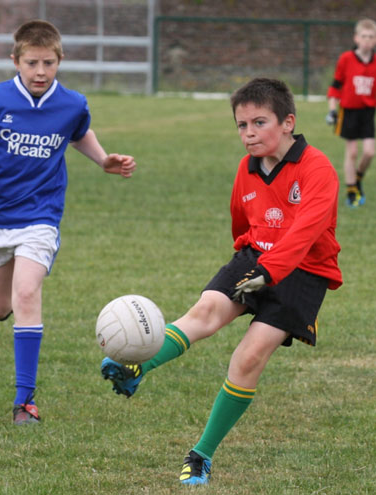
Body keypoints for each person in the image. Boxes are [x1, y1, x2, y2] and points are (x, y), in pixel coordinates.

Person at [101, 78, 342, 485]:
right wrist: (250, 260)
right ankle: (138, 367)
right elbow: (240, 220)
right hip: (256, 254)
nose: (248, 134)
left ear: (287, 122)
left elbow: (308, 230)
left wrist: (271, 271)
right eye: (241, 125)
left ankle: (201, 454)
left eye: (259, 123)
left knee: (250, 356)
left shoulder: (317, 169)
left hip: (304, 269)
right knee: (206, 311)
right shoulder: (246, 169)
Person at [0, 20, 136, 425]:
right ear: (15, 61)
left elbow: (79, 133)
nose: (41, 72)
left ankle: (25, 403)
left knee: (25, 294)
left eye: (49, 63)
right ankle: (9, 316)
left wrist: (103, 158)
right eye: (32, 63)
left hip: (41, 216)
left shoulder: (72, 103)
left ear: (60, 61)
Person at [326, 18, 376, 208]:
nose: (367, 40)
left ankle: (358, 177)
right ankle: (351, 190)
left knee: (370, 152)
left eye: (371, 37)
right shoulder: (346, 59)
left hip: (368, 112)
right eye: (363, 36)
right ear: (356, 38)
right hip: (349, 112)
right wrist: (332, 109)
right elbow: (335, 86)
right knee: (353, 151)